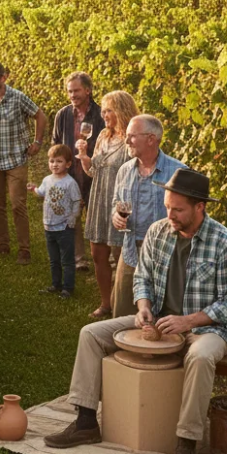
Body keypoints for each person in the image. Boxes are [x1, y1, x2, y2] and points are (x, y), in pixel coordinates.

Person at [45, 169, 227, 454]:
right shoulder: (158, 231)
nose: (170, 215)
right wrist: (143, 308)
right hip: (160, 322)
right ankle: (85, 421)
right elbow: (142, 279)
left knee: (200, 356)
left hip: (208, 328)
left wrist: (187, 321)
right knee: (91, 334)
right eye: (167, 207)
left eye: (178, 209)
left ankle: (186, 442)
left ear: (200, 207)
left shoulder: (226, 242)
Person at [111, 114, 185, 316]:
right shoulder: (125, 170)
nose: (127, 141)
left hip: (166, 254)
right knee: (122, 313)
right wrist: (115, 215)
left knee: (163, 315)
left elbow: (190, 217)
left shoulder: (178, 172)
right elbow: (116, 202)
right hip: (130, 252)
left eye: (132, 136)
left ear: (151, 139)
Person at [76, 90, 139, 319]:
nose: (103, 115)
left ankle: (128, 304)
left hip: (121, 203)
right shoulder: (103, 135)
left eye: (108, 110)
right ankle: (106, 303)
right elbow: (93, 171)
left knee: (124, 257)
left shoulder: (132, 140)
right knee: (97, 254)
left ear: (121, 111)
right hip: (99, 199)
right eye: (103, 110)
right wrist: (84, 156)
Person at [0, 60, 48, 265]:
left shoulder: (18, 97)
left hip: (16, 158)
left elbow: (40, 116)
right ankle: (3, 244)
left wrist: (37, 142)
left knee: (18, 204)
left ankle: (24, 249)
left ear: (3, 77)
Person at [51, 72, 106, 273]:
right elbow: (56, 144)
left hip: (93, 173)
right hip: (70, 173)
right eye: (69, 91)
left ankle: (103, 257)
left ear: (88, 90)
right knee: (70, 217)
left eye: (76, 90)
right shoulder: (63, 115)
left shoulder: (100, 115)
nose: (72, 95)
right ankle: (78, 259)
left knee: (97, 217)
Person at [29, 144, 83, 299]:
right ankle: (56, 284)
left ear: (68, 164)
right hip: (49, 226)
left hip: (64, 227)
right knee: (54, 259)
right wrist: (33, 189)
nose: (55, 164)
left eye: (59, 161)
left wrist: (72, 218)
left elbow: (77, 201)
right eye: (52, 161)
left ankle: (68, 288)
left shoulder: (70, 183)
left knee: (67, 260)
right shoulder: (47, 180)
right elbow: (41, 192)